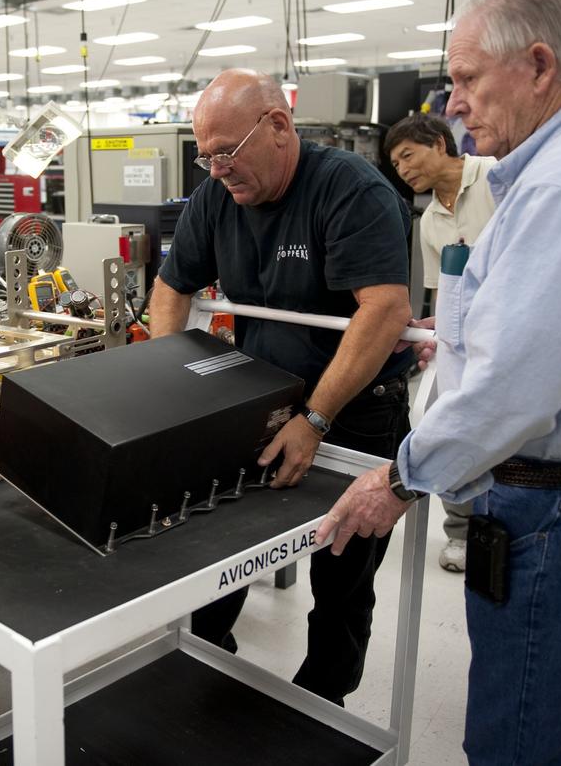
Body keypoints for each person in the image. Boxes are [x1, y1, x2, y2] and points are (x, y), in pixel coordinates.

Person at [319, 0, 561, 764]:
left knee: (518, 736)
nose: (452, 104)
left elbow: (516, 390)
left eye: (465, 79)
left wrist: (399, 478)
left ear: (536, 64)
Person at [149, 69, 414, 705]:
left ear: (278, 127)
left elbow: (383, 309)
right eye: (204, 156)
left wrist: (316, 419)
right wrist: (163, 378)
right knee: (221, 546)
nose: (215, 171)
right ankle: (207, 658)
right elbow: (170, 288)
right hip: (261, 399)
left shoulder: (349, 190)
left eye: (226, 154)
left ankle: (324, 704)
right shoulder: (216, 197)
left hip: (354, 410)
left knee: (342, 568)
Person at [384, 112, 497, 572]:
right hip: (465, 344)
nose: (404, 169)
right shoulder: (429, 221)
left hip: (512, 334)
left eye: (408, 155)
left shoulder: (494, 175)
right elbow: (445, 295)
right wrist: (427, 329)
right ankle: (462, 533)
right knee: (445, 424)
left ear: (438, 143)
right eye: (395, 165)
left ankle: (503, 525)